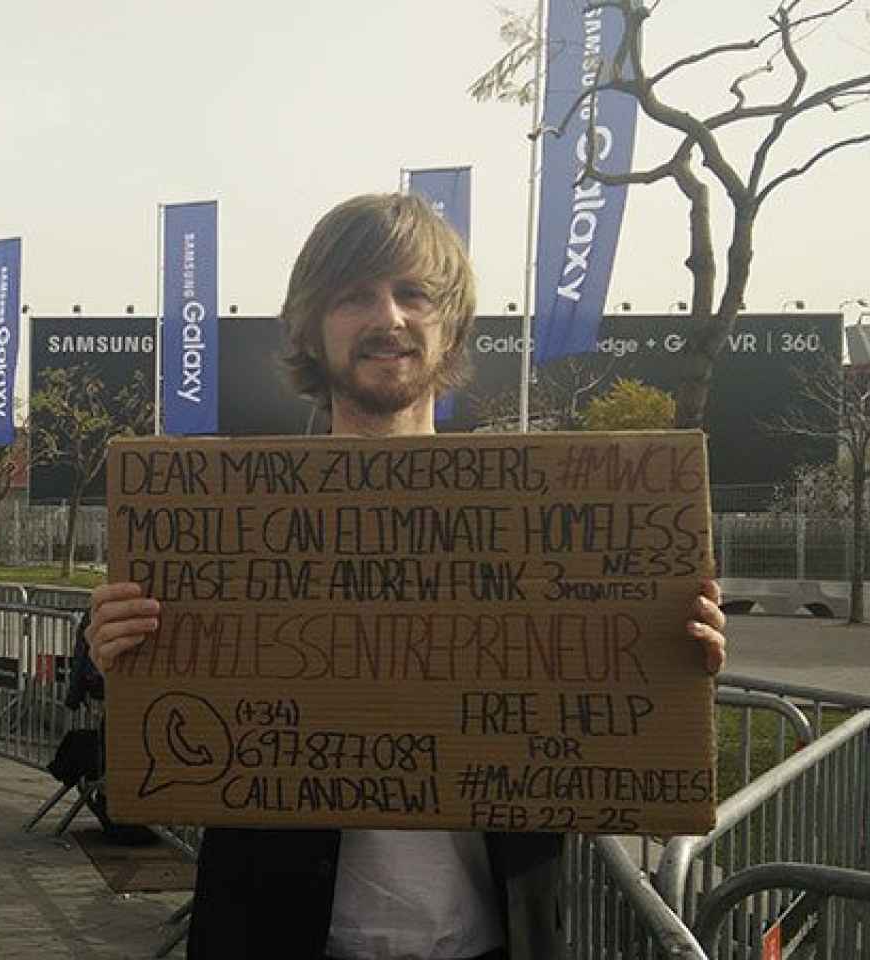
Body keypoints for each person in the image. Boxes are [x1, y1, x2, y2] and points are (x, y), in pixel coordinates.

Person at [83, 194, 730, 960]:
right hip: (276, 936)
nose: (385, 316)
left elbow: (614, 746)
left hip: (499, 942)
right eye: (353, 295)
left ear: (450, 323)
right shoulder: (225, 519)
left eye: (412, 293)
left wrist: (665, 658)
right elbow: (143, 750)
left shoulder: (536, 514)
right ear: (312, 329)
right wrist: (117, 654)